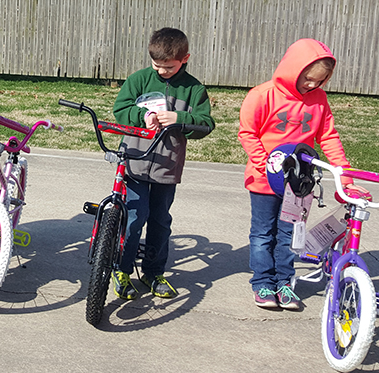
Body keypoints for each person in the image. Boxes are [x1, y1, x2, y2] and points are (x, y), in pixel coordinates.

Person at [238, 38, 367, 310]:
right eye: (308, 78)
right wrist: (269, 166)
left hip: (299, 184)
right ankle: (262, 282)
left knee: (290, 235)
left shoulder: (319, 100)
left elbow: (329, 137)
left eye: (319, 81)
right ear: (293, 68)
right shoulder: (262, 95)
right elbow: (248, 134)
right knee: (263, 233)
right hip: (264, 181)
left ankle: (285, 283)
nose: (312, 85)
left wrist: (345, 178)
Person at [111, 27, 214, 300]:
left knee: (160, 220)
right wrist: (140, 115)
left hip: (167, 166)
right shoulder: (139, 80)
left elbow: (205, 124)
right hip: (135, 161)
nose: (162, 71)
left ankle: (153, 272)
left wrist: (179, 119)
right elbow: (120, 109)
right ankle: (121, 268)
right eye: (157, 65)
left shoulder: (194, 89)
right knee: (134, 216)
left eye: (168, 67)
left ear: (185, 58)